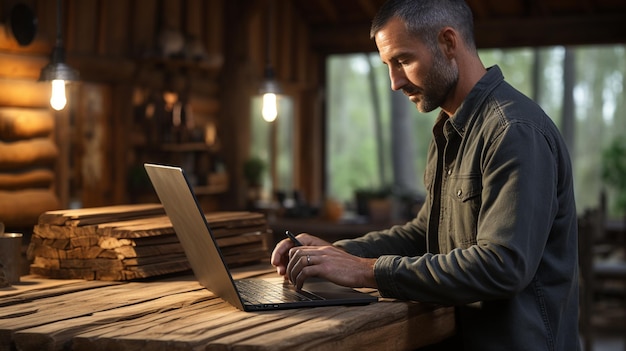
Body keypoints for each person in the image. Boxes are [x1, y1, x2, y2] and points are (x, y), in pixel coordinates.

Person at [271, 0, 580, 349]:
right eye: (389, 65)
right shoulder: (450, 126)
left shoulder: (513, 131)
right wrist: (334, 255)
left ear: (448, 43)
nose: (394, 82)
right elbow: (425, 233)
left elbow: (502, 265)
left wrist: (365, 270)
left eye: (403, 60)